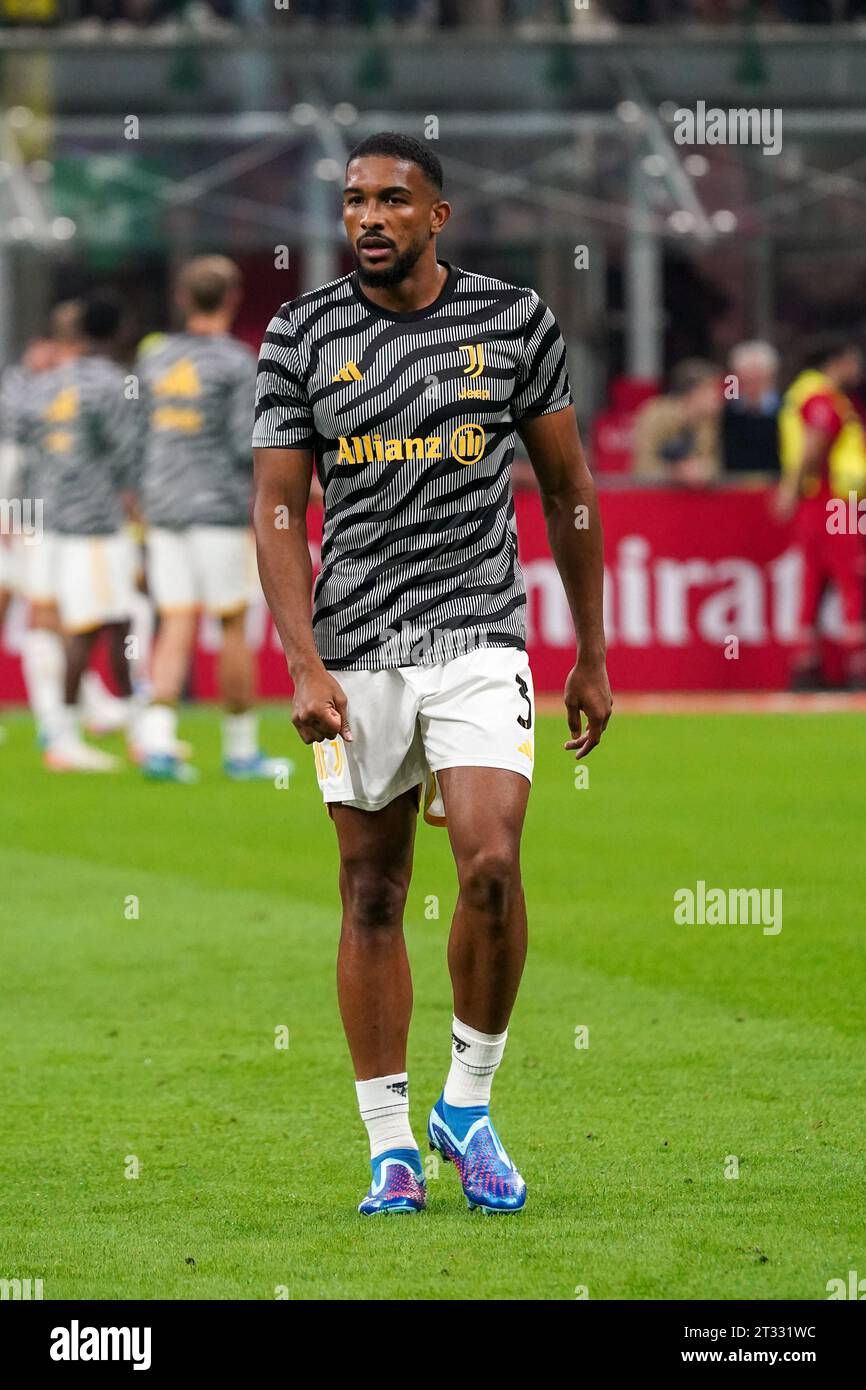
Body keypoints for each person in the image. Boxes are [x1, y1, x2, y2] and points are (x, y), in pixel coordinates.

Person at [252, 131, 611, 1215]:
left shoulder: (512, 321)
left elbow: (567, 488)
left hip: (478, 634)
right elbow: (276, 509)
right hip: (355, 648)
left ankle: (467, 1099)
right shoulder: (299, 333)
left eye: (393, 200)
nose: (369, 217)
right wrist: (303, 660)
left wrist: (591, 650)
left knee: (490, 863)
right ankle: (387, 1147)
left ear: (436, 216)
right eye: (355, 200)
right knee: (372, 890)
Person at [135, 255, 288, 781]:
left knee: (175, 619)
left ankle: (157, 742)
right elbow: (240, 442)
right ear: (232, 298)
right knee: (230, 623)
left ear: (181, 298)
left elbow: (138, 434)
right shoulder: (236, 363)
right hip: (215, 508)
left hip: (163, 504)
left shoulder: (154, 358)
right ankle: (241, 749)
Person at [15, 298, 141, 771]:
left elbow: (26, 451)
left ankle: (82, 720)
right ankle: (70, 735)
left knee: (55, 621)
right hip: (91, 523)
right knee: (93, 625)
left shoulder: (43, 386)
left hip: (43, 519)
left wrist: (19, 513)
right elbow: (129, 456)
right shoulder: (112, 386)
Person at [775, 335, 866, 690]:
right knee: (850, 579)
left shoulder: (805, 393)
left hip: (821, 501)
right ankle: (857, 669)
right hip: (835, 501)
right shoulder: (821, 397)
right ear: (836, 361)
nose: (857, 370)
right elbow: (814, 444)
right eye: (853, 361)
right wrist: (790, 489)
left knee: (813, 581)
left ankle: (806, 668)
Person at [633, 357, 722, 485]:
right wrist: (673, 473)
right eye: (713, 390)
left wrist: (702, 471)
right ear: (694, 393)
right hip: (654, 497)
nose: (718, 397)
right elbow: (642, 467)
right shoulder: (655, 415)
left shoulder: (709, 423)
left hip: (694, 499)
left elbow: (716, 465)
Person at [721, 340, 781, 477]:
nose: (750, 380)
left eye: (756, 375)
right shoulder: (727, 412)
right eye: (745, 376)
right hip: (735, 488)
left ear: (769, 374)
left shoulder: (787, 408)